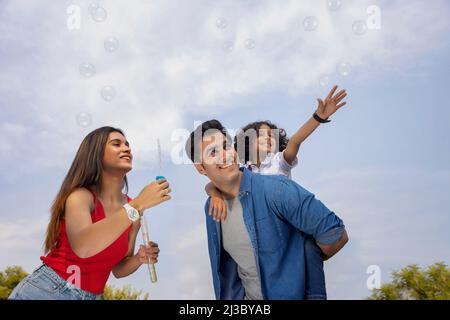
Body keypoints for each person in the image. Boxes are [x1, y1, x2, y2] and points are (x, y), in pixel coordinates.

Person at [205, 85, 348, 299]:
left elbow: (296, 141)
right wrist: (215, 195)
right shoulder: (245, 172)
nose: (267, 137)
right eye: (260, 135)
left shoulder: (279, 162)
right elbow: (212, 184)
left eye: (270, 135)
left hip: (294, 229)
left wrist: (318, 116)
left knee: (308, 258)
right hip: (269, 235)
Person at [9, 126, 171, 300]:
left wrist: (139, 258)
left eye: (127, 144)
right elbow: (84, 247)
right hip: (47, 291)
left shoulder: (133, 211)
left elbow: (118, 268)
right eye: (116, 144)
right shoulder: (80, 196)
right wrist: (138, 204)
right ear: (96, 154)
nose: (127, 148)